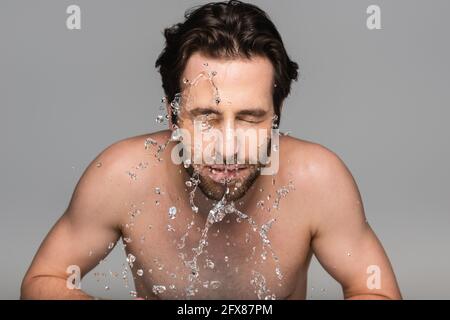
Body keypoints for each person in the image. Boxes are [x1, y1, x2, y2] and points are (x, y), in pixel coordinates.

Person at [21, 0, 401, 300]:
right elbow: (43, 280)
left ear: (276, 114)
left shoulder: (318, 181)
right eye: (206, 117)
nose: (229, 146)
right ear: (173, 114)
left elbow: (375, 289)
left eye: (251, 117)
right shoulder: (121, 176)